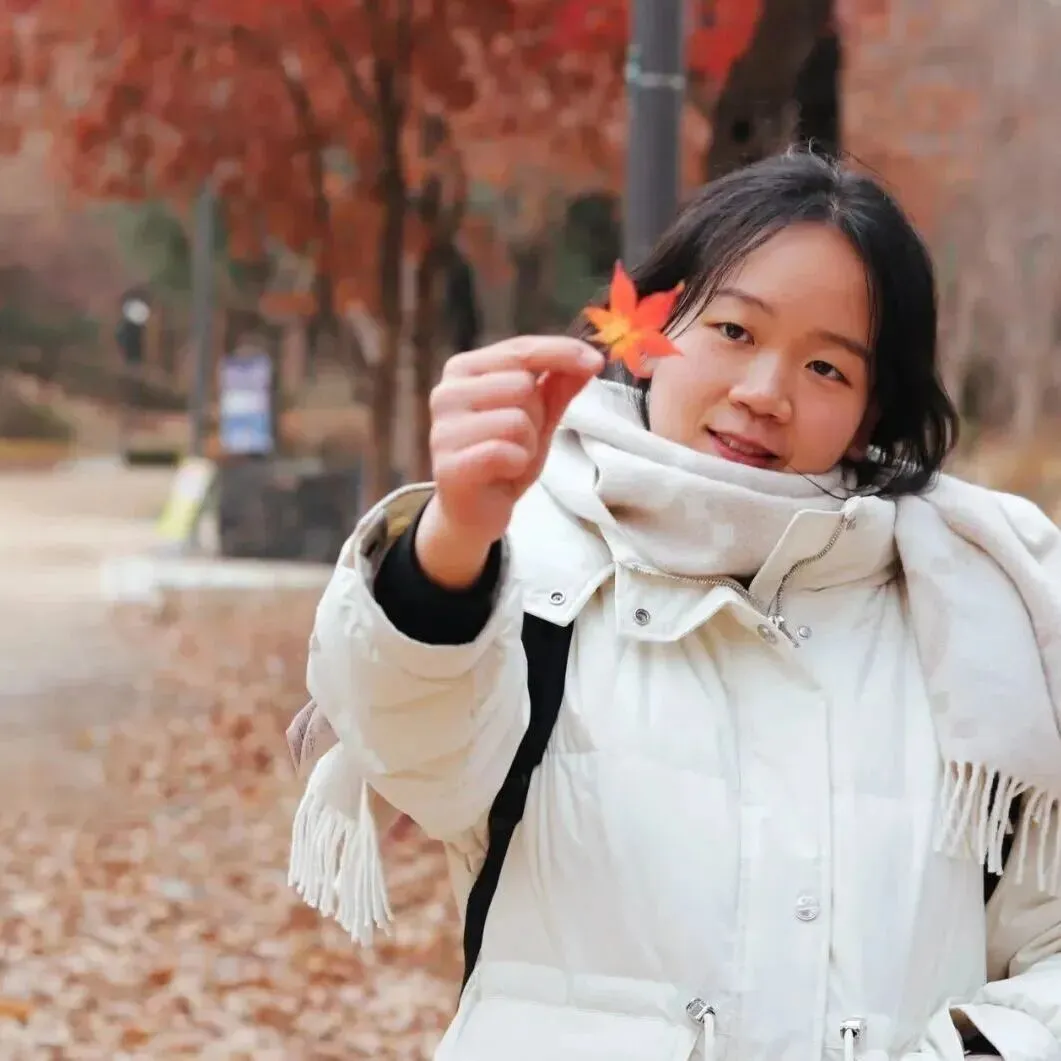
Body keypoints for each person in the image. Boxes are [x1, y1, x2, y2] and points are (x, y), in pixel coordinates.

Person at [287, 149, 1061, 1060]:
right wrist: (454, 538)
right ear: (652, 327)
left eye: (825, 367)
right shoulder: (530, 563)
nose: (763, 393)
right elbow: (419, 753)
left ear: (871, 410)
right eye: (733, 329)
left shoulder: (971, 611)